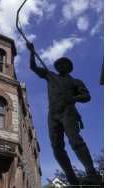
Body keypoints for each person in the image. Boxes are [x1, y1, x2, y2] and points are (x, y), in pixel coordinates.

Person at [26, 42, 99, 186]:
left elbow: (87, 96)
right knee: (56, 147)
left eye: (62, 64)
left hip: (68, 112)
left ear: (68, 67)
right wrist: (32, 52)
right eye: (58, 64)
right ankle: (72, 178)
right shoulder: (50, 75)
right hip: (52, 113)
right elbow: (33, 67)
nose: (59, 66)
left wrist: (73, 98)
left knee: (75, 141)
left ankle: (91, 173)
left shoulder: (75, 82)